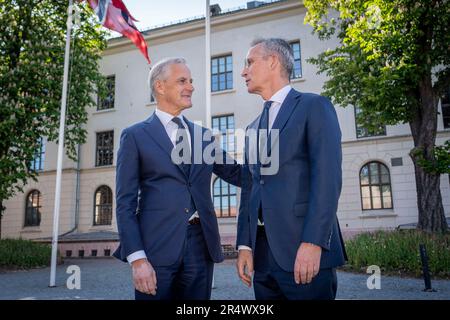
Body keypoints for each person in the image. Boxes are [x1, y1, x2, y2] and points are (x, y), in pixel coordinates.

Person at [113, 57, 241, 300]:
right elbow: (125, 203)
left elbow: (238, 174)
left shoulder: (204, 136)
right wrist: (137, 258)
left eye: (191, 81)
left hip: (200, 246)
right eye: (182, 81)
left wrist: (286, 165)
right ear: (160, 87)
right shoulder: (135, 136)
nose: (191, 86)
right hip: (154, 249)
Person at [236, 38, 347, 300]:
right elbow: (249, 190)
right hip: (263, 261)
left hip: (304, 253)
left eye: (250, 62)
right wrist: (244, 245)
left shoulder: (314, 106)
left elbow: (327, 179)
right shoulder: (252, 129)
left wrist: (313, 242)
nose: (243, 71)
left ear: (273, 61)